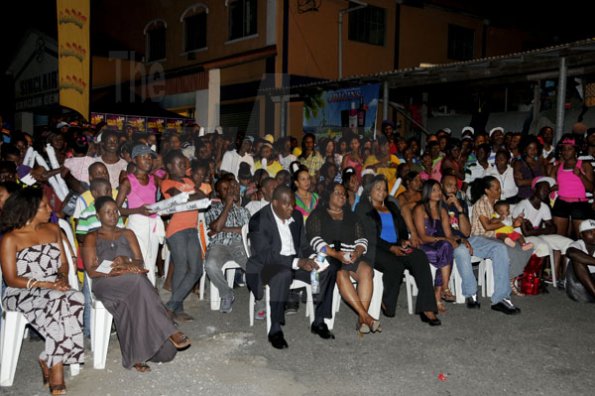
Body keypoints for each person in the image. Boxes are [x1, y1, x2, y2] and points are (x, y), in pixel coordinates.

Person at [81, 196, 191, 372]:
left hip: (131, 281)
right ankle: (169, 328)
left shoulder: (127, 233)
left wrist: (125, 261)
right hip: (106, 284)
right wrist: (114, 266)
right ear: (98, 215)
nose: (113, 215)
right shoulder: (91, 237)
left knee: (167, 354)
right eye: (107, 212)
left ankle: (137, 353)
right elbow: (92, 270)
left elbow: (139, 263)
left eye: (115, 211)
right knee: (139, 280)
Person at [0, 188, 84, 395]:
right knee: (58, 302)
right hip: (21, 291)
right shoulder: (11, 239)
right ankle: (57, 373)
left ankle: (49, 356)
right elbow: (11, 279)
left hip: (52, 288)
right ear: (28, 210)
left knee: (75, 296)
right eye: (44, 206)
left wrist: (62, 278)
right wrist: (47, 285)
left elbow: (63, 265)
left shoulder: (53, 230)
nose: (50, 209)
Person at [246, 185, 338, 349]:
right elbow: (266, 255)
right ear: (274, 203)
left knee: (328, 268)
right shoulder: (258, 221)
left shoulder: (295, 216)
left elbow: (303, 244)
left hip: (294, 263)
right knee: (283, 274)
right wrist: (297, 262)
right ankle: (275, 329)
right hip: (267, 266)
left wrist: (313, 257)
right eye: (286, 204)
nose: (291, 208)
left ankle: (319, 321)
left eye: (293, 204)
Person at [355, 175, 441, 325]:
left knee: (419, 256)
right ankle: (387, 303)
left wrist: (402, 241)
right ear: (369, 191)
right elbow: (369, 235)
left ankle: (427, 308)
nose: (382, 192)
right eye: (378, 189)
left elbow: (401, 228)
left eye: (384, 189)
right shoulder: (363, 208)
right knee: (395, 264)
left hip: (395, 245)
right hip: (374, 248)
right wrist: (390, 247)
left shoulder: (392, 206)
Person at [306, 183, 380, 335]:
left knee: (366, 270)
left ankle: (362, 318)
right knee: (340, 272)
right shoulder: (317, 215)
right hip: (328, 257)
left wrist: (357, 253)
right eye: (337, 193)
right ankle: (366, 317)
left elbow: (362, 239)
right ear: (328, 196)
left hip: (350, 255)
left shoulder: (352, 217)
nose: (342, 196)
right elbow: (315, 240)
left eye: (344, 194)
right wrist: (335, 254)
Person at [470, 176, 532, 298]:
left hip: (495, 236)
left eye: (499, 189)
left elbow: (504, 224)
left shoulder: (498, 204)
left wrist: (514, 223)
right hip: (481, 238)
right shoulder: (481, 204)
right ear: (487, 191)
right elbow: (487, 227)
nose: (500, 191)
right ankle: (509, 282)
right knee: (510, 249)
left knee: (526, 248)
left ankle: (511, 277)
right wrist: (508, 223)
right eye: (497, 189)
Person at [160, 150, 203, 321]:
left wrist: (193, 195)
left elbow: (203, 196)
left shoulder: (188, 181)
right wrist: (194, 195)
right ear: (170, 166)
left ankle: (171, 306)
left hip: (191, 229)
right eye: (179, 164)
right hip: (176, 230)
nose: (183, 166)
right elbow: (180, 197)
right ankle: (178, 310)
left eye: (184, 164)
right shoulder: (166, 183)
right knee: (182, 268)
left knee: (197, 269)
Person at [115, 145, 164, 286]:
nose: (148, 160)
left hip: (153, 223)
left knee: (151, 260)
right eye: (144, 157)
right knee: (139, 260)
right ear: (135, 160)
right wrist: (138, 210)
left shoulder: (154, 179)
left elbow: (156, 200)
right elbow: (116, 209)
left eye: (150, 157)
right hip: (137, 223)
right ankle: (143, 293)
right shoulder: (127, 181)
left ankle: (150, 291)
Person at [512, 176, 573, 287]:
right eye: (543, 189)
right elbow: (526, 233)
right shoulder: (523, 205)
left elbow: (553, 229)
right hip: (520, 237)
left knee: (568, 243)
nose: (545, 192)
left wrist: (536, 230)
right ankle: (537, 279)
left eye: (547, 190)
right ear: (535, 189)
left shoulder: (544, 207)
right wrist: (542, 230)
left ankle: (563, 279)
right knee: (542, 245)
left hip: (536, 234)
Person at [204, 177, 251, 313]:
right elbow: (216, 226)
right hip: (219, 244)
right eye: (225, 189)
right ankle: (226, 294)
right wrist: (228, 205)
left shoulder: (243, 210)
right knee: (210, 265)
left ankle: (261, 302)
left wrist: (221, 229)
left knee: (254, 267)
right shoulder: (212, 209)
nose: (229, 191)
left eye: (230, 187)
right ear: (218, 194)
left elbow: (245, 231)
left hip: (239, 244)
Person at [413, 180, 456, 312]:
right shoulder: (420, 209)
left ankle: (440, 291)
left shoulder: (442, 210)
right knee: (444, 250)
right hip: (424, 245)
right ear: (427, 192)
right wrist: (444, 239)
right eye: (434, 190)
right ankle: (443, 289)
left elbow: (448, 234)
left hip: (440, 245)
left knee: (445, 248)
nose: (438, 193)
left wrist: (451, 240)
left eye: (439, 190)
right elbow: (422, 237)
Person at [549, 134, 594, 238]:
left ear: (576, 150)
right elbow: (551, 186)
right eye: (564, 149)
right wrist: (553, 187)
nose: (566, 151)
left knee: (582, 239)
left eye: (570, 149)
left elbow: (591, 189)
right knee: (558, 239)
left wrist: (580, 175)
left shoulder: (584, 165)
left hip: (579, 204)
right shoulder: (557, 167)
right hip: (561, 203)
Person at [565, 219, 595, 303]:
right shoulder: (577, 244)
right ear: (581, 235)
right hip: (578, 286)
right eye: (590, 232)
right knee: (577, 259)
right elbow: (570, 252)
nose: (594, 234)